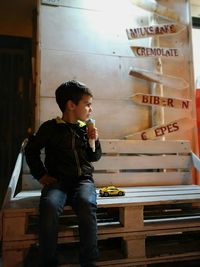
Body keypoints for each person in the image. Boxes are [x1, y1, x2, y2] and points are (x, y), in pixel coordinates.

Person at [25, 80, 102, 267]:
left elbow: (94, 157)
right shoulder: (50, 128)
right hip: (57, 182)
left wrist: (94, 140)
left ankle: (89, 261)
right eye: (88, 104)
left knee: (86, 203)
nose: (90, 109)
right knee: (50, 206)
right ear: (71, 105)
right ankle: (49, 261)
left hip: (82, 181)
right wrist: (41, 175)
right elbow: (31, 150)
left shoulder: (85, 128)